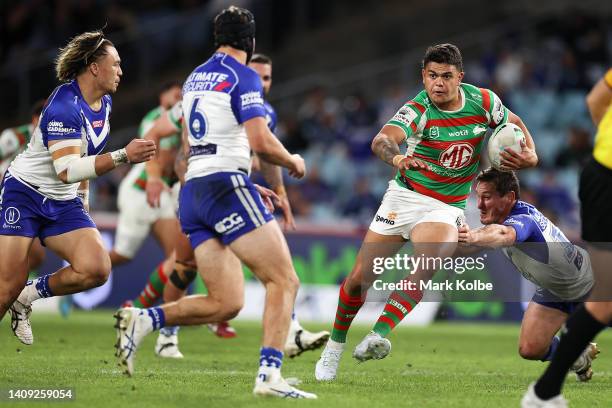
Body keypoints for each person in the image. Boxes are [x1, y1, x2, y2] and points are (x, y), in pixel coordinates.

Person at [113, 6, 316, 398]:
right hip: (224, 187)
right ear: (250, 41)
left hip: (193, 192)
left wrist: (161, 174)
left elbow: (162, 129)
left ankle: (141, 320)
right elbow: (259, 142)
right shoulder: (243, 77)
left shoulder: (194, 79)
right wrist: (293, 160)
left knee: (225, 302)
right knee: (284, 280)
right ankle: (269, 377)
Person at [315, 43, 538, 381]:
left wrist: (531, 156)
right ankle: (334, 347)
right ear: (423, 76)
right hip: (403, 198)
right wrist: (398, 158)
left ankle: (378, 335)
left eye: (446, 77)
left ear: (459, 77)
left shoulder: (484, 102)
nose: (438, 83)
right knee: (361, 279)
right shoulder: (417, 109)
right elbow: (382, 140)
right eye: (432, 76)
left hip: (445, 206)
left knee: (429, 262)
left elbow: (516, 122)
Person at [1, 30, 156, 344]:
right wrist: (125, 154)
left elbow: (86, 158)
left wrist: (82, 204)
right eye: (116, 64)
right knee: (7, 284)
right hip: (25, 193)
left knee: (97, 268)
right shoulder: (64, 106)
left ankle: (27, 297)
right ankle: (15, 293)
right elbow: (67, 170)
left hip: (64, 201)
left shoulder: (105, 105)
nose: (121, 71)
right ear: (95, 68)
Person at [522, 68, 612, 407]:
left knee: (603, 304)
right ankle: (544, 393)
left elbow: (596, 100)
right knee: (604, 303)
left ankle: (544, 393)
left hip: (600, 175)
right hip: (607, 182)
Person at [458, 168, 599, 381]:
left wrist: (471, 236)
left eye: (486, 197)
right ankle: (578, 357)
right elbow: (474, 245)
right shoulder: (499, 222)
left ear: (509, 198)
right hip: (555, 291)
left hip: (593, 285)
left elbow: (505, 235)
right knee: (530, 348)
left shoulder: (524, 219)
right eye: (478, 197)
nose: (479, 204)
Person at [0, 100, 47, 271]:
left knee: (36, 256)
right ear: (35, 119)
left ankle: (14, 291)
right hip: (5, 199)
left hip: (24, 203)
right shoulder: (15, 137)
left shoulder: (50, 144)